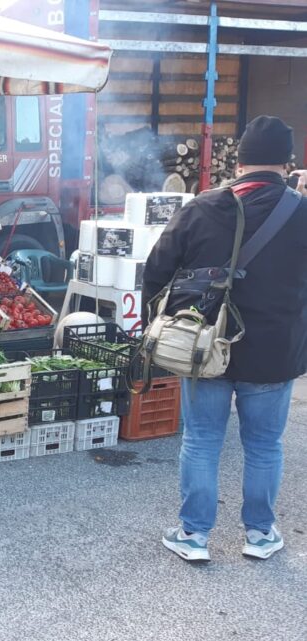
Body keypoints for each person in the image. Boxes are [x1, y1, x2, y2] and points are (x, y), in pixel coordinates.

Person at [142, 115, 307, 563]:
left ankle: (194, 537)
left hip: (203, 345)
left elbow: (156, 271)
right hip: (276, 351)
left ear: (239, 161)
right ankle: (259, 534)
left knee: (201, 439)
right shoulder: (302, 212)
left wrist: (157, 326)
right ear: (287, 163)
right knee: (264, 444)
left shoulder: (201, 207)